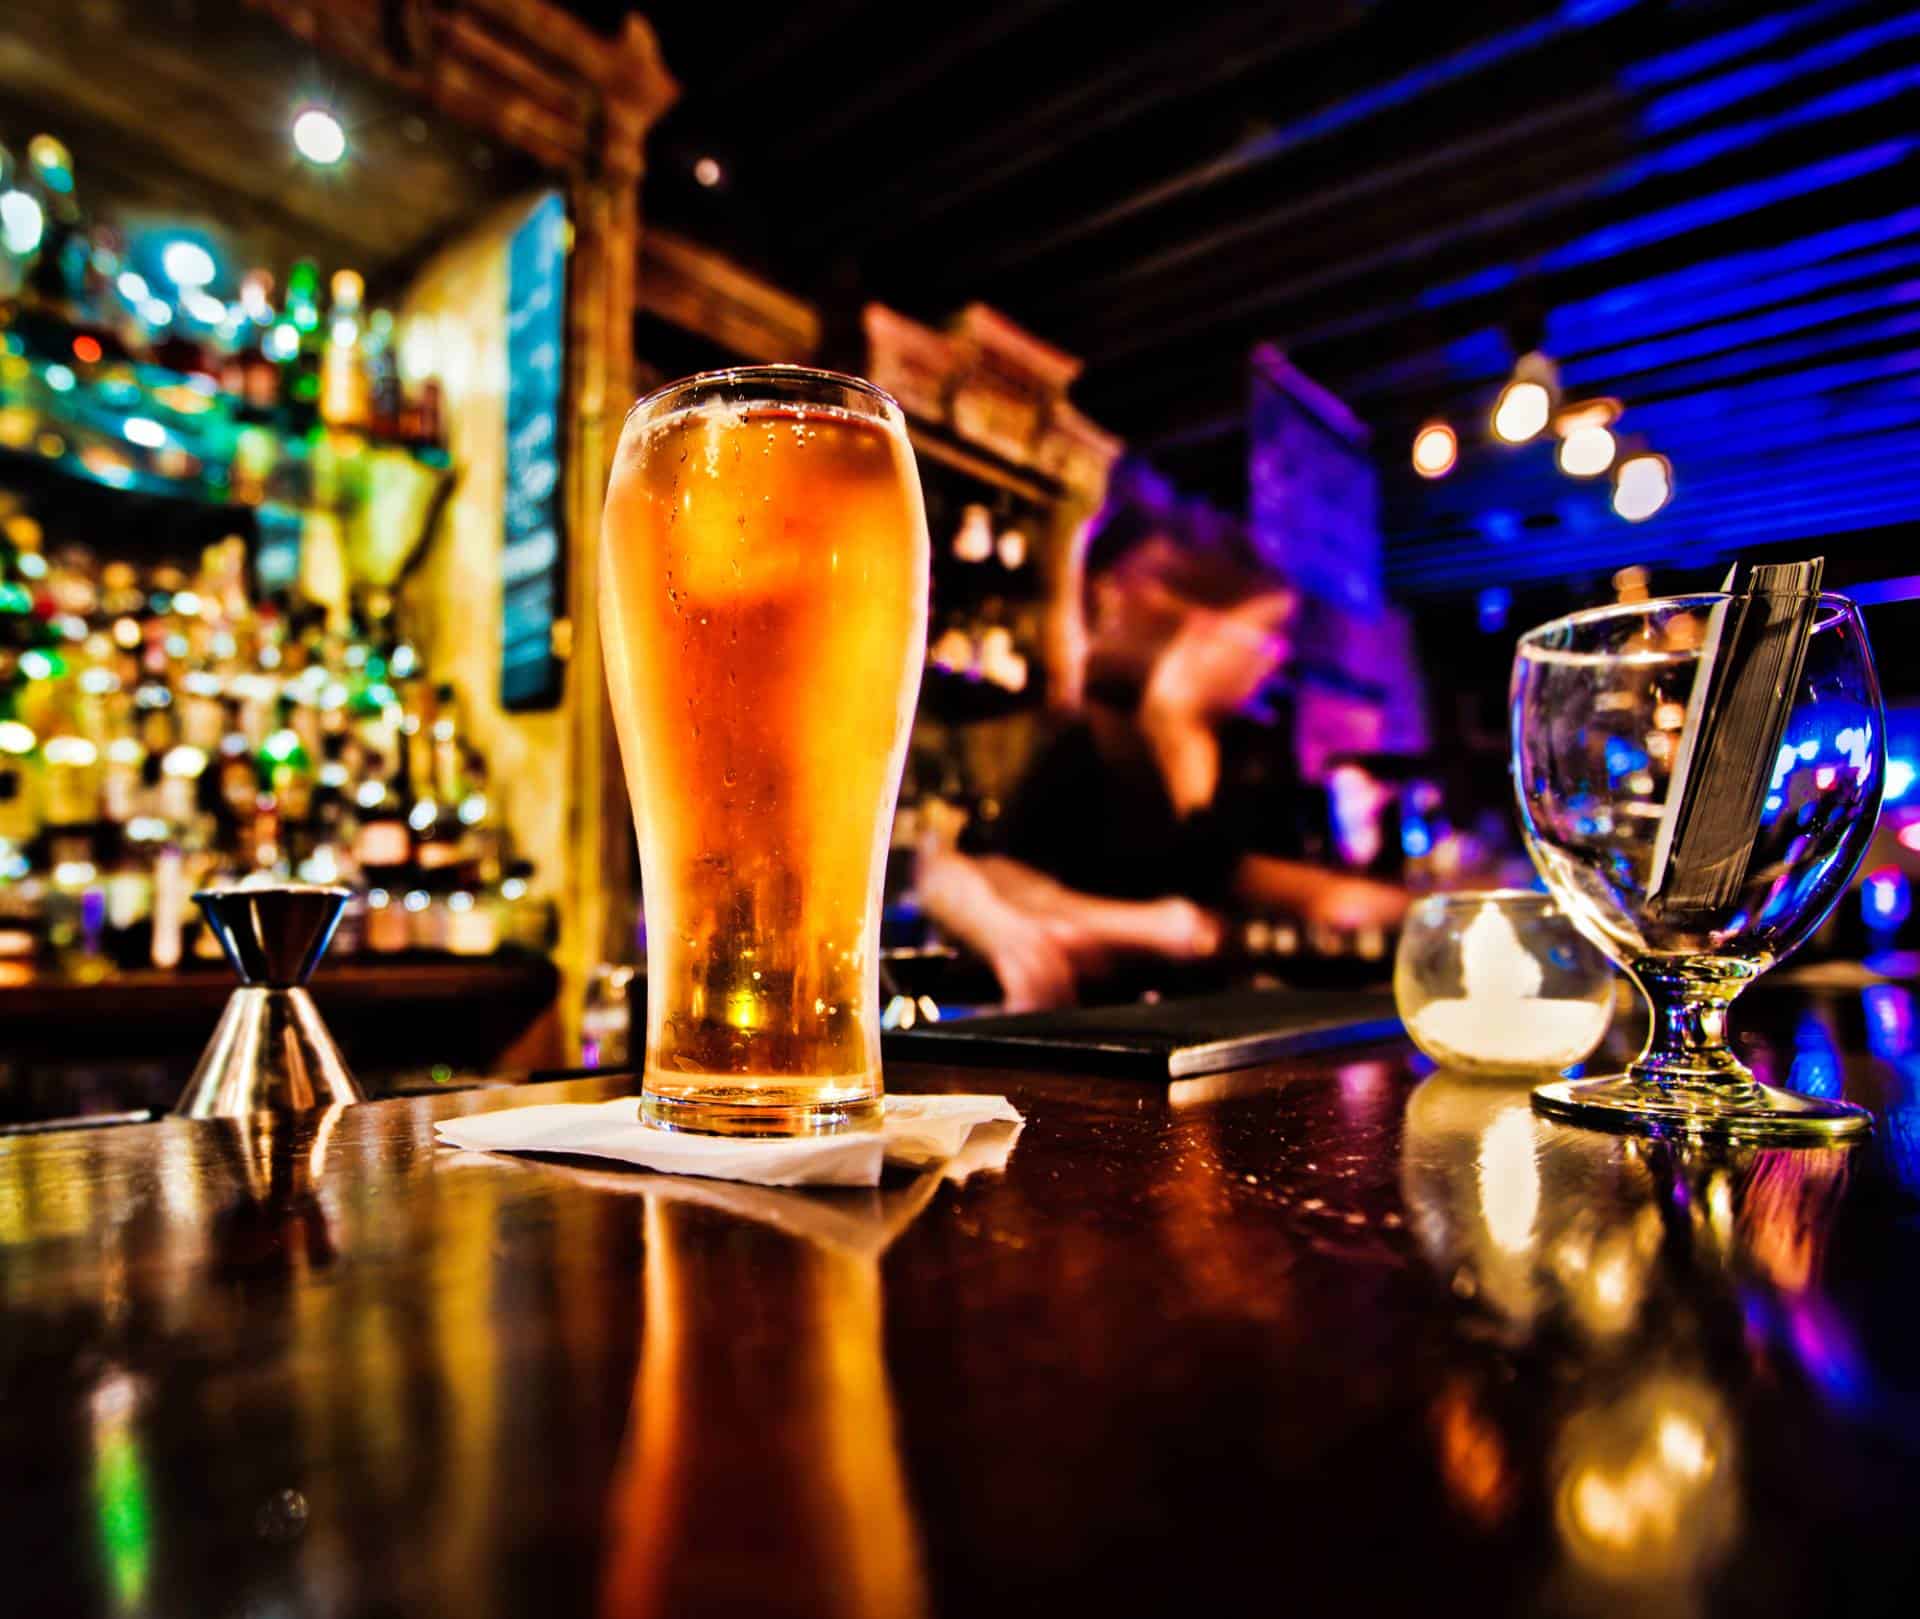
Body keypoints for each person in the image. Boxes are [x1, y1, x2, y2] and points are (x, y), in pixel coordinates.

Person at [917, 502, 1406, 1010]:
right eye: (1263, 636)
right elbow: (988, 877)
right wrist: (1152, 928)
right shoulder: (1091, 741)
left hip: (1214, 1020)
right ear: (1201, 629)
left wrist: (1423, 909)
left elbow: (1252, 878)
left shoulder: (1243, 750)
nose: (1274, 658)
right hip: (1098, 1025)